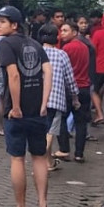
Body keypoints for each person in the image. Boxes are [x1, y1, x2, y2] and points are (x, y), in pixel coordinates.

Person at [0, 6, 57, 207]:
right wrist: (44, 103)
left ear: (14, 25)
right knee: (39, 157)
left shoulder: (6, 44)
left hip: (17, 112)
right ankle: (43, 206)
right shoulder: (36, 44)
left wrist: (16, 106)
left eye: (3, 21)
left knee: (17, 158)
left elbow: (13, 75)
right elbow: (48, 71)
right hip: (37, 112)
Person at [40, 24, 79, 169]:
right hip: (55, 99)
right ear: (56, 38)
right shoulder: (61, 54)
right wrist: (75, 98)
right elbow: (70, 79)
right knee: (50, 131)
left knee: (43, 130)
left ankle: (49, 162)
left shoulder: (35, 53)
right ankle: (40, 161)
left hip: (37, 98)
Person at [59, 21, 97, 163]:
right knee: (81, 122)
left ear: (74, 32)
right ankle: (79, 153)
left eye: (65, 30)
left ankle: (64, 150)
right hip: (84, 87)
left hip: (69, 88)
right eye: (61, 30)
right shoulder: (85, 47)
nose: (62, 33)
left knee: (62, 119)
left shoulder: (66, 49)